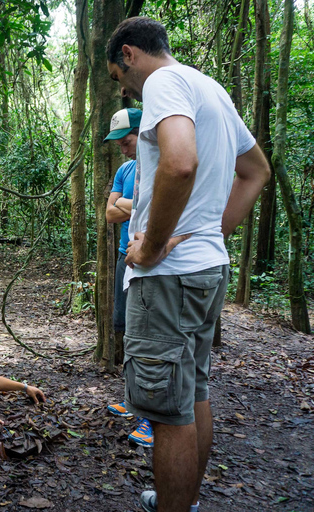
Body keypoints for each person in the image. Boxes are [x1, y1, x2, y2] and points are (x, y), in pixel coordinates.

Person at [106, 17, 270, 512]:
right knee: (192, 391)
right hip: (205, 269)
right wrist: (214, 234)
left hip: (169, 277)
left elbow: (180, 162)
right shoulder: (211, 88)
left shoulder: (163, 81)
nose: (128, 91)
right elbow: (255, 170)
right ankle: (184, 501)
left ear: (130, 54)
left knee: (167, 410)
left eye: (119, 78)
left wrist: (153, 246)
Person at [103, 108, 153, 448]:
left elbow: (161, 207)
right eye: (118, 143)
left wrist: (128, 205)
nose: (122, 148)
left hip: (154, 261)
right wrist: (141, 205)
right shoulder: (125, 169)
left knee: (153, 338)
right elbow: (109, 213)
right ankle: (133, 399)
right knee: (129, 331)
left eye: (127, 141)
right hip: (125, 257)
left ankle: (152, 417)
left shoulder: (160, 164)